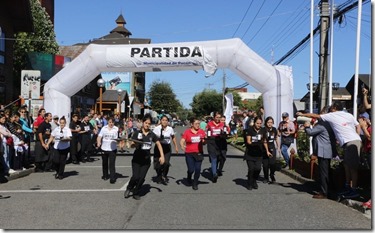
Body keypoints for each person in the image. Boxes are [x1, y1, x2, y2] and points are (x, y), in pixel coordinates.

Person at [297, 101, 362, 199]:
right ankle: (347, 187)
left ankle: (352, 190)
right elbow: (358, 125)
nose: (323, 114)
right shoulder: (347, 115)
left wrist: (302, 115)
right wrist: (356, 135)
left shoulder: (331, 117)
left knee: (351, 168)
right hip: (350, 142)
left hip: (345, 144)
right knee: (346, 166)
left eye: (324, 111)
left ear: (334, 108)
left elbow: (314, 117)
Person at [124, 114, 165, 200]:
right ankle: (129, 188)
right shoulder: (137, 133)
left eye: (149, 123)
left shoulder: (151, 134)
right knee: (135, 176)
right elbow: (132, 145)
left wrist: (162, 156)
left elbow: (158, 143)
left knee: (141, 178)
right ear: (143, 123)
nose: (147, 125)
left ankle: (136, 192)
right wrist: (133, 145)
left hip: (146, 160)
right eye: (146, 123)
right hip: (137, 159)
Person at [303, 106, 337, 199]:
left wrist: (306, 127)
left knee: (323, 172)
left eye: (320, 114)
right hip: (326, 151)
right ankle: (330, 188)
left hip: (323, 151)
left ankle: (324, 192)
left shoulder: (322, 125)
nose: (318, 116)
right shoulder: (328, 124)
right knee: (327, 171)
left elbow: (310, 132)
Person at [180, 117, 206, 190]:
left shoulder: (201, 132)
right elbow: (182, 140)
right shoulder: (187, 132)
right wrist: (182, 146)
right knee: (191, 169)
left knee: (198, 169)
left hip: (199, 153)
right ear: (192, 124)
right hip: (189, 153)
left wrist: (204, 141)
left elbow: (204, 142)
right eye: (196, 123)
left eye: (199, 123)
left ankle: (195, 183)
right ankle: (189, 176)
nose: (198, 125)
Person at [152, 115, 178, 185]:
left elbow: (173, 137)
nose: (164, 121)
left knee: (166, 163)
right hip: (158, 147)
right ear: (160, 121)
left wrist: (176, 147)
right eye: (163, 120)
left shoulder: (170, 129)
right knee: (157, 164)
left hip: (167, 147)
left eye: (166, 120)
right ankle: (159, 175)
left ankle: (164, 175)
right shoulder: (157, 129)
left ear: (168, 121)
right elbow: (153, 138)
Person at [245, 116, 265, 190]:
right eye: (257, 123)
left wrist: (267, 149)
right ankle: (250, 183)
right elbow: (248, 141)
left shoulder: (263, 130)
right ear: (254, 123)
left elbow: (265, 140)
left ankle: (254, 180)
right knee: (251, 169)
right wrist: (254, 143)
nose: (259, 125)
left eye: (260, 123)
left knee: (258, 168)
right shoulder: (250, 130)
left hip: (259, 153)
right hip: (250, 152)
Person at [96, 117, 118, 184]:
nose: (111, 124)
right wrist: (98, 142)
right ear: (108, 122)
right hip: (104, 148)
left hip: (112, 149)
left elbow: (118, 138)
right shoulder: (104, 128)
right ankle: (105, 175)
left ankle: (112, 178)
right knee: (105, 163)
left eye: (112, 122)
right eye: (110, 122)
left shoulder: (116, 129)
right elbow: (99, 136)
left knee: (112, 164)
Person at [206, 111, 225, 183]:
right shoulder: (209, 124)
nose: (218, 119)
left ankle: (216, 169)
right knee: (214, 158)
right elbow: (206, 132)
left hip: (220, 142)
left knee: (219, 158)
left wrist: (224, 133)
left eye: (219, 117)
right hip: (211, 142)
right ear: (214, 117)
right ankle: (214, 174)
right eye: (217, 117)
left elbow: (226, 133)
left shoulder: (222, 124)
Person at [262, 116, 279, 184]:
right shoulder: (263, 130)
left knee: (272, 163)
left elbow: (276, 138)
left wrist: (278, 146)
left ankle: (272, 174)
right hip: (265, 148)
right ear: (266, 123)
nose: (269, 124)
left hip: (272, 147)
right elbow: (264, 141)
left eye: (271, 122)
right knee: (265, 165)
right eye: (268, 122)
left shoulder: (274, 129)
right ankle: (266, 177)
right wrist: (267, 151)